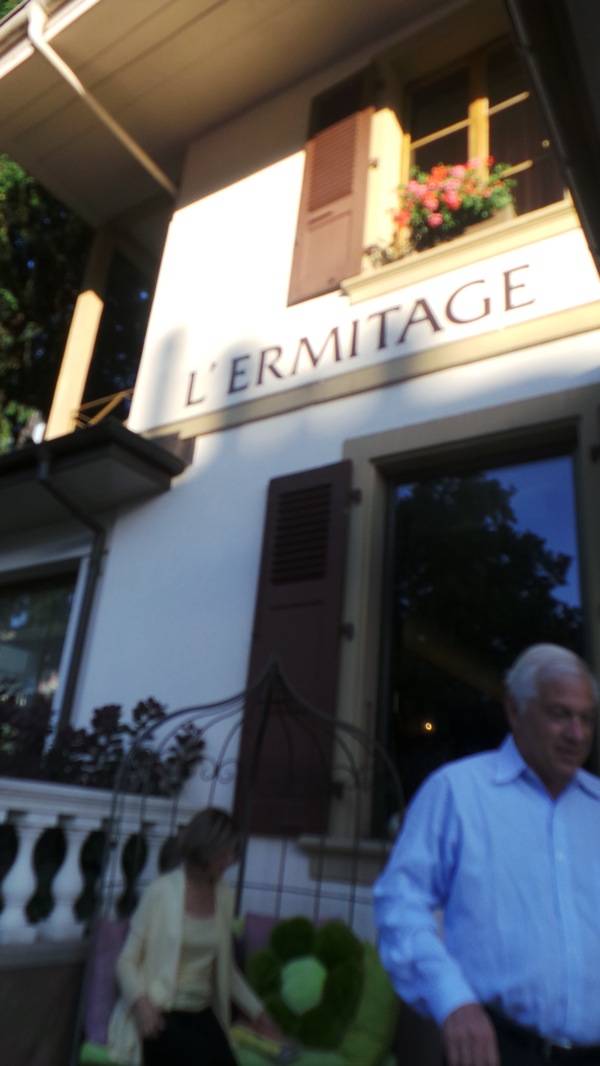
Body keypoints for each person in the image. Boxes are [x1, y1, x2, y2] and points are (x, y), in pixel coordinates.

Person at [373, 643, 600, 1066]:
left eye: (586, 719)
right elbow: (400, 903)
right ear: (514, 710)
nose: (577, 734)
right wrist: (452, 1000)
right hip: (496, 1051)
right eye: (560, 714)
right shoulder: (458, 793)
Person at [108, 807, 278, 1066]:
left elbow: (227, 970)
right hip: (160, 1012)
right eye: (226, 853)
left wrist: (260, 1014)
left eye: (233, 854)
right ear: (207, 851)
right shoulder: (160, 892)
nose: (231, 861)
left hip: (201, 1013)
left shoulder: (224, 895)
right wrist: (141, 1005)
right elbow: (126, 961)